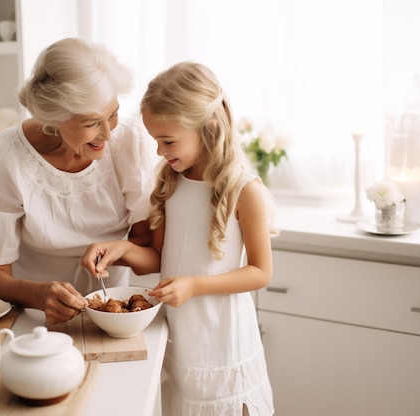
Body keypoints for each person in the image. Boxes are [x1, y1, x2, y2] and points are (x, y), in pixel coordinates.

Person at [82, 61, 276, 415]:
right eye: (155, 140)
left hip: (224, 341)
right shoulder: (171, 181)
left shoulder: (243, 189)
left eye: (167, 140)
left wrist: (194, 286)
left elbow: (261, 273)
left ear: (208, 129)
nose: (159, 151)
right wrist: (123, 249)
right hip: (181, 342)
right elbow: (159, 258)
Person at [0, 37, 158, 325]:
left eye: (113, 114)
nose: (107, 134)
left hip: (113, 312)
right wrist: (39, 294)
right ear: (54, 117)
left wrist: (117, 253)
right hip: (35, 316)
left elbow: (146, 249)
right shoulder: (8, 153)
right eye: (90, 123)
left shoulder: (129, 142)